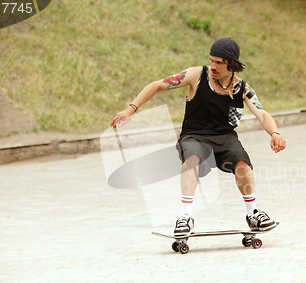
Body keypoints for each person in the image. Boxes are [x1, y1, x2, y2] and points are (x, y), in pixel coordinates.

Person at [110, 38, 286, 236]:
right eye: (211, 60)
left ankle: (253, 214)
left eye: (219, 62)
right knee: (192, 158)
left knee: (242, 164)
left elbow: (262, 113)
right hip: (194, 135)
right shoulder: (197, 75)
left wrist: (274, 133)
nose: (213, 66)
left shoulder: (241, 88)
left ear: (232, 64)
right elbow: (157, 85)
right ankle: (185, 216)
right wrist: (131, 109)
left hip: (224, 136)